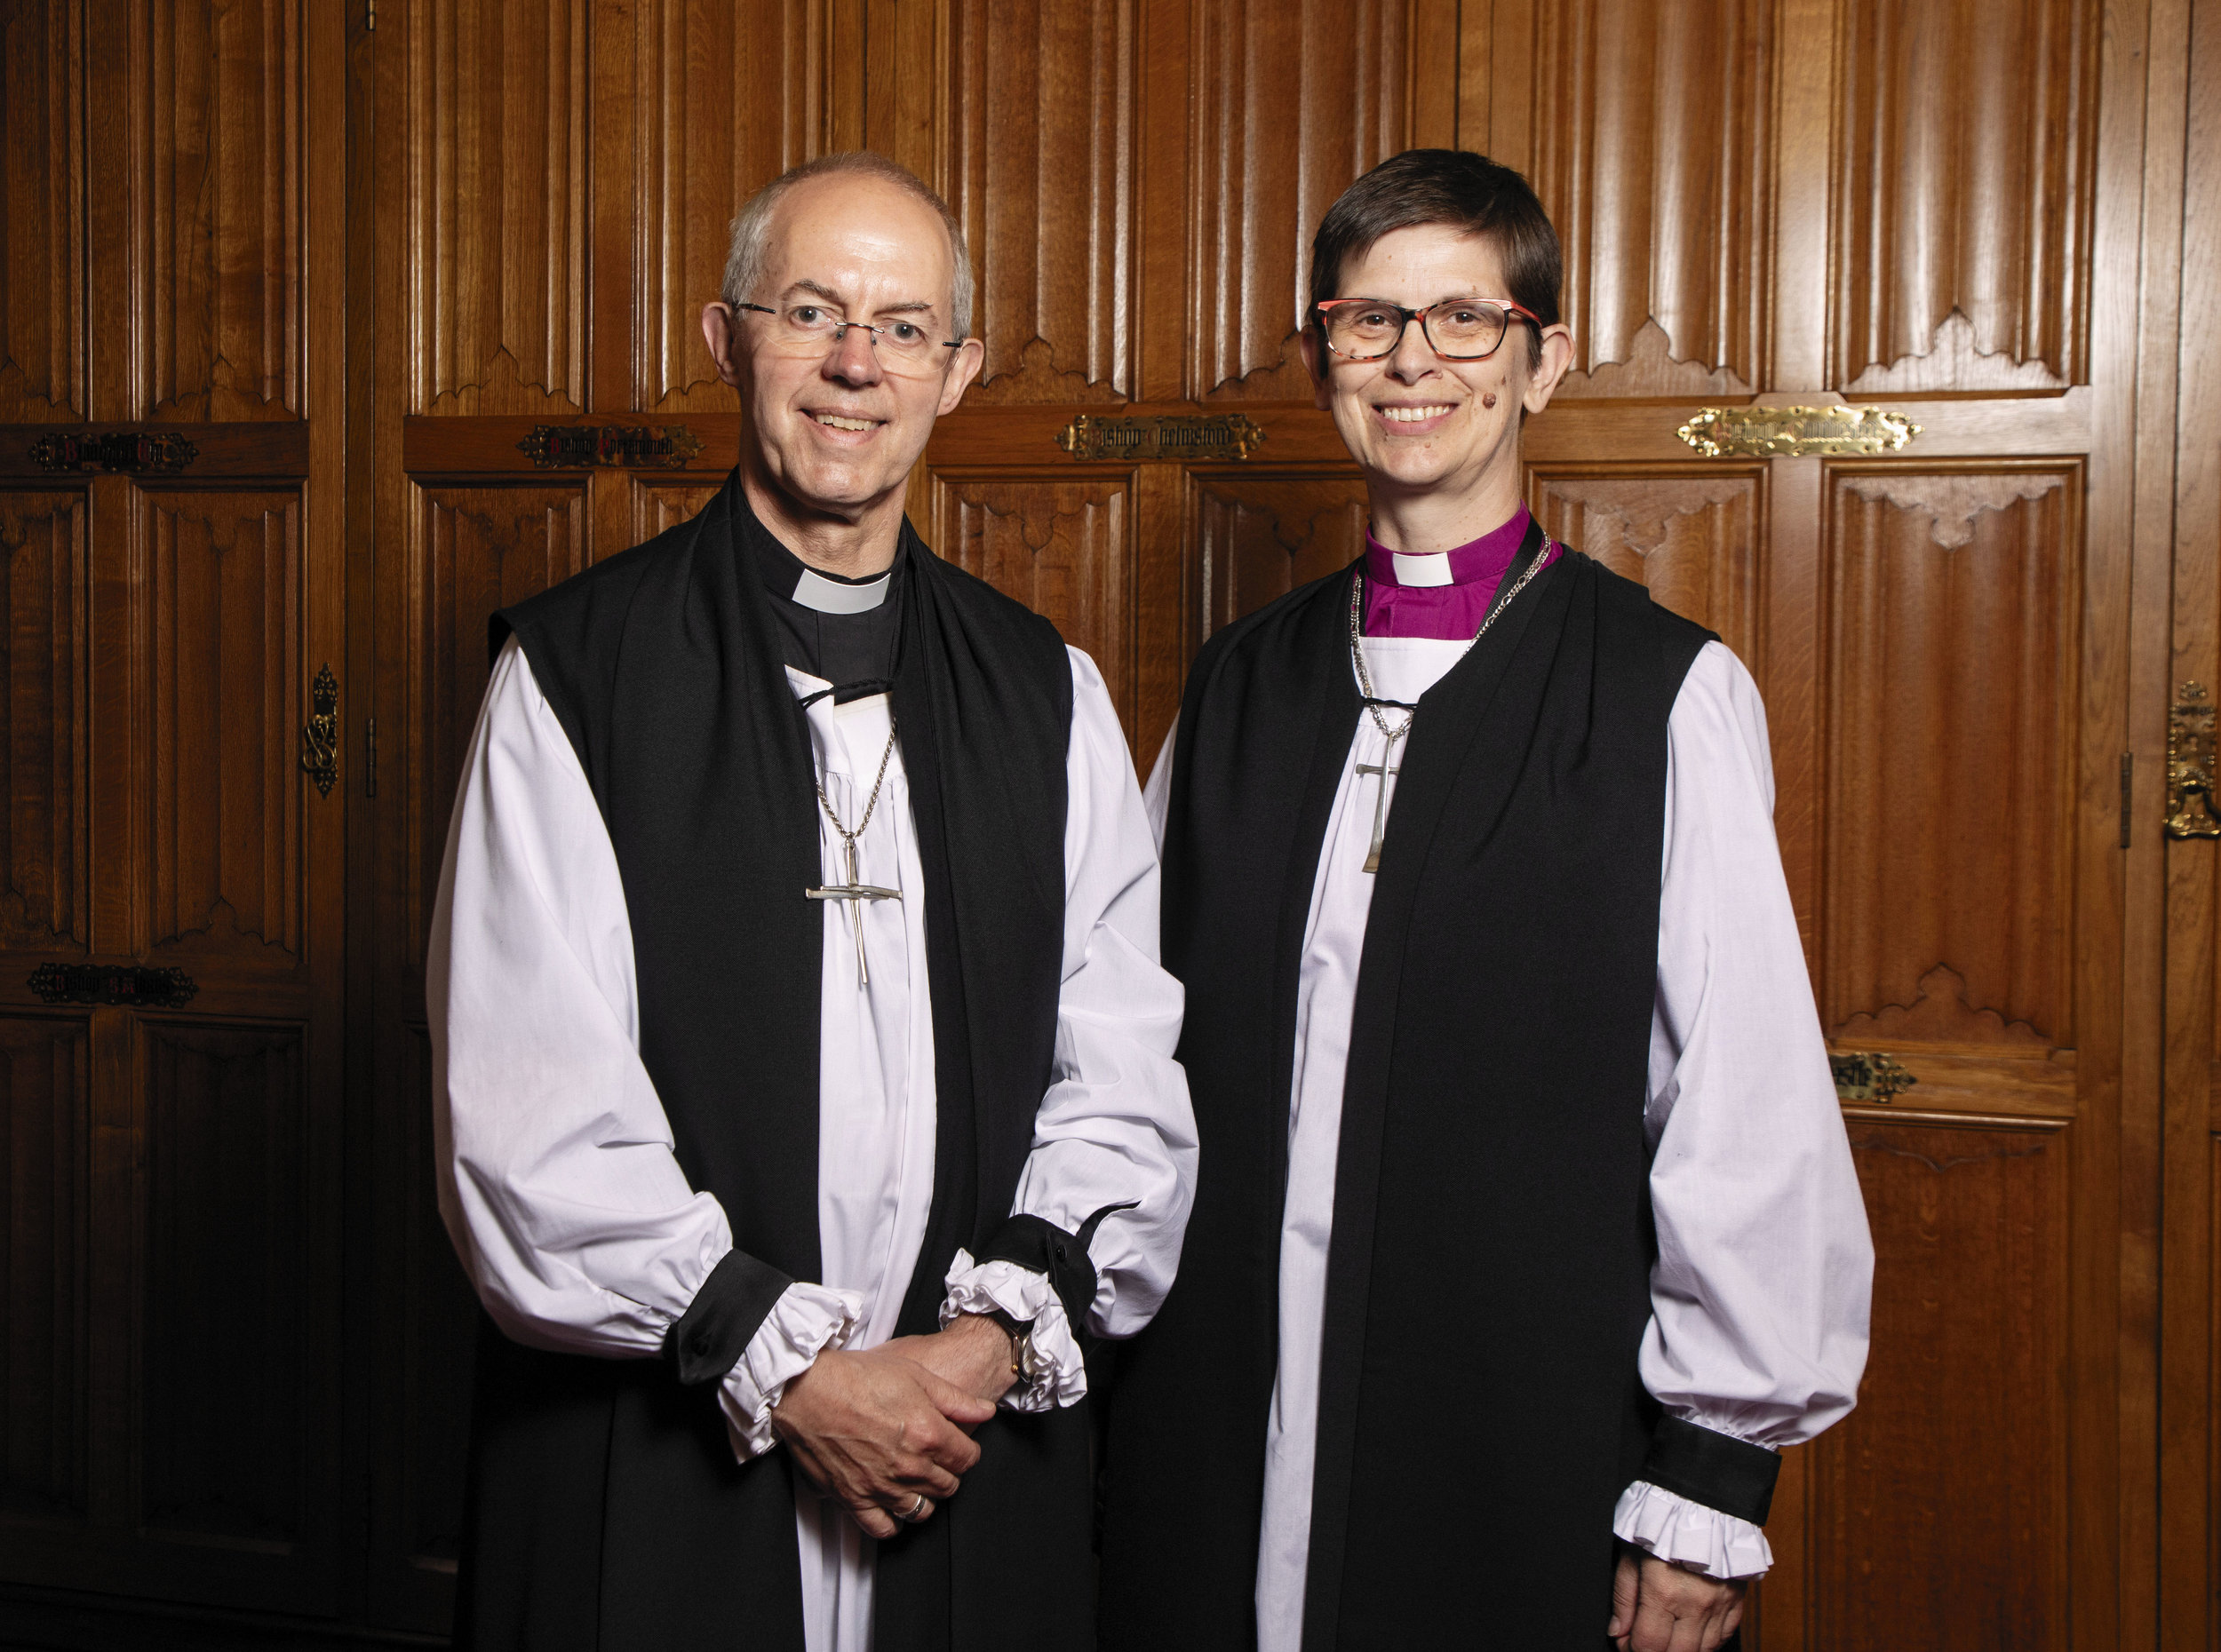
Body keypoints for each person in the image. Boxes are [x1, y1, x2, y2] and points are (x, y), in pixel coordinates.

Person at [1097, 148, 1871, 1652]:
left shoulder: (1663, 695)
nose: (1411, 363)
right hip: (1212, 1417)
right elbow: (1126, 1042)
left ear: (1543, 363)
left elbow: (1745, 1101)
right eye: (1369, 320)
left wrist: (1713, 1468)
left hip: (1508, 1428)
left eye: (1464, 321)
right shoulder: (1242, 684)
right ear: (1326, 351)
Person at [429, 151, 1195, 1652]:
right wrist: (792, 1374)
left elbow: (1120, 1080)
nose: (857, 363)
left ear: (959, 372)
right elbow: (527, 1120)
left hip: (961, 1441)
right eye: (812, 310)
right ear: (727, 340)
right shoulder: (579, 681)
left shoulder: (1046, 693)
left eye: (906, 326)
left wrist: (979, 1349)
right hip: (663, 1445)